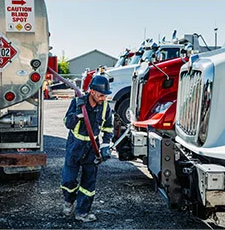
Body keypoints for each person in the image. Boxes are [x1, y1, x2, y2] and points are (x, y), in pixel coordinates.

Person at [61, 75, 113, 222]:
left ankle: (82, 212)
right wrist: (77, 116)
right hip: (75, 145)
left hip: (92, 147)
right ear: (92, 92)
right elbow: (67, 123)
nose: (104, 98)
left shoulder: (104, 107)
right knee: (68, 180)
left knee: (89, 183)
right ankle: (69, 201)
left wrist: (105, 146)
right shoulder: (78, 103)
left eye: (105, 95)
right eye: (101, 95)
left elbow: (108, 128)